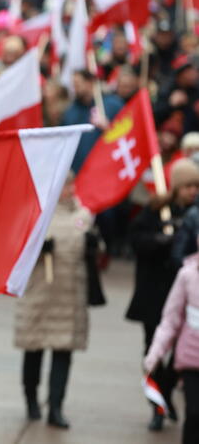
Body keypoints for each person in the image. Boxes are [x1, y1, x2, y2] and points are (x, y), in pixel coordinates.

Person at [13, 174, 93, 429]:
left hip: (69, 297)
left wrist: (95, 247)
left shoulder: (84, 216)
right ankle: (31, 400)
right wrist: (36, 249)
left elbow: (93, 251)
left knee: (63, 353)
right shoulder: (36, 214)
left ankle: (56, 406)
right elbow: (16, 250)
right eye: (65, 185)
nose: (70, 189)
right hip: (40, 296)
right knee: (33, 350)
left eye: (72, 184)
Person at [127, 158, 199, 432]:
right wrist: (162, 240)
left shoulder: (195, 214)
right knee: (154, 350)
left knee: (182, 355)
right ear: (177, 186)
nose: (192, 191)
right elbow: (137, 240)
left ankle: (166, 389)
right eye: (188, 186)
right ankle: (156, 406)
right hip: (156, 295)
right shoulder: (156, 210)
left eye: (196, 186)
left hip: (188, 298)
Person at [145, 233, 199, 444]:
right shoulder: (187, 275)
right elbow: (170, 320)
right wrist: (155, 354)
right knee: (195, 413)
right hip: (192, 359)